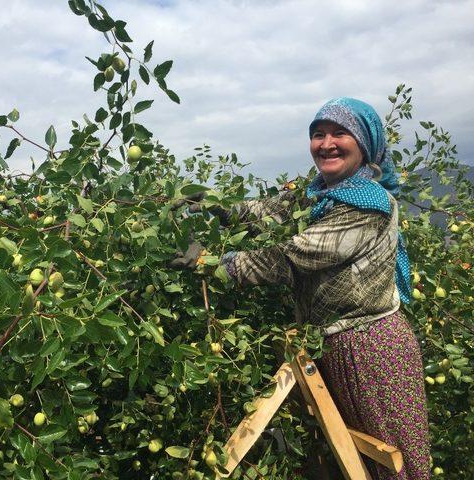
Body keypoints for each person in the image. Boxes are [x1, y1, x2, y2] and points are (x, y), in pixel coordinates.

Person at [173, 98, 430, 479]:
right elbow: (266, 211)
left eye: (340, 133)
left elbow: (293, 258)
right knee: (348, 459)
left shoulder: (366, 205)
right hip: (329, 343)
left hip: (369, 348)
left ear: (365, 143)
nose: (327, 143)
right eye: (318, 134)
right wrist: (215, 205)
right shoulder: (317, 193)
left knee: (391, 462)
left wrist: (211, 264)